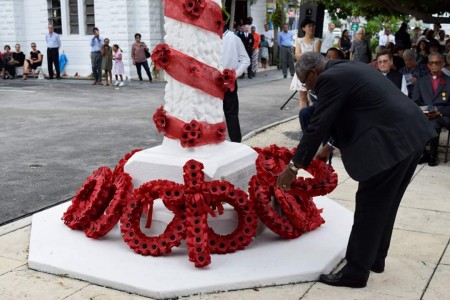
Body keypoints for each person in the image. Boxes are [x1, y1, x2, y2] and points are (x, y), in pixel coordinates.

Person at [277, 52, 436, 288]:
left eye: (304, 81)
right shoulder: (344, 67)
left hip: (391, 141)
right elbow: (349, 109)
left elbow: (318, 125)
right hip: (411, 134)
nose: (306, 87)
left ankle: (355, 271)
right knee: (387, 203)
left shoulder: (328, 79)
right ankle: (375, 259)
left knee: (369, 206)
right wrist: (329, 146)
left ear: (313, 73)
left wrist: (293, 167)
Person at [412, 52, 450, 166]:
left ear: (442, 64)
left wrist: (438, 112)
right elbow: (415, 101)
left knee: (434, 122)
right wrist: (424, 112)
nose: (434, 65)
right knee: (413, 123)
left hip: (444, 116)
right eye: (431, 63)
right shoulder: (421, 81)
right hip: (425, 114)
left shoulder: (449, 81)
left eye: (437, 63)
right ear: (428, 65)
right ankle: (425, 153)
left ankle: (432, 154)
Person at [222, 21, 250, 142]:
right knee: (211, 115)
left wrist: (234, 74)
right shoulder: (208, 38)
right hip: (210, 83)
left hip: (229, 83)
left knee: (231, 115)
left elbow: (245, 59)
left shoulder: (233, 38)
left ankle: (236, 143)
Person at [291, 18, 321, 108]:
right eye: (309, 26)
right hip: (302, 71)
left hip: (313, 72)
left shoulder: (317, 40)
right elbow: (296, 55)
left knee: (312, 96)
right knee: (302, 96)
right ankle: (303, 117)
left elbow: (316, 56)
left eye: (312, 26)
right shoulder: (299, 40)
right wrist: (308, 55)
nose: (311, 28)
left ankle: (311, 117)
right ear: (303, 28)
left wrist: (303, 55)